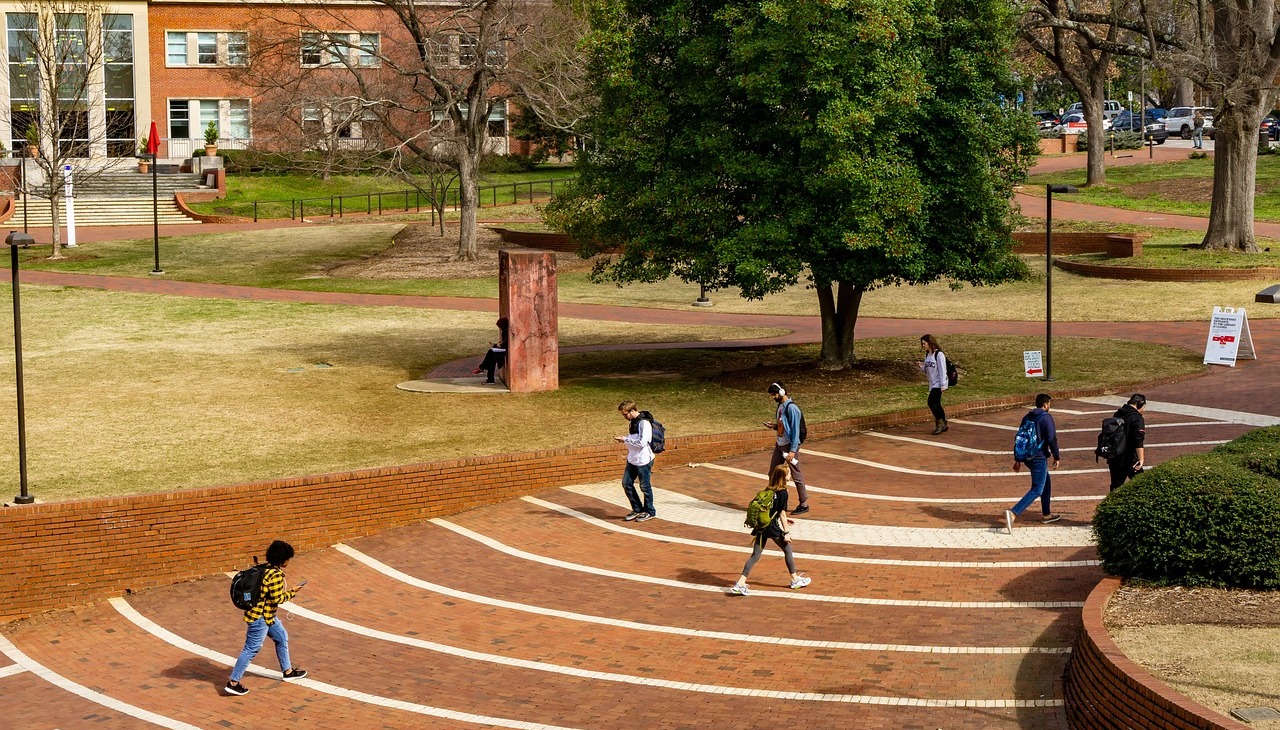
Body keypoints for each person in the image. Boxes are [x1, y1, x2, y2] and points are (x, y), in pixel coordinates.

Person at [225, 540, 307, 696]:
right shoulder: (275, 575)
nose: (289, 561)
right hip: (261, 617)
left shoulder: (265, 568)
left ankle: (288, 671)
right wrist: (294, 591)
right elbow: (277, 599)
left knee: (282, 637)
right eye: (288, 558)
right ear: (282, 559)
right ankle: (233, 682)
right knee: (251, 649)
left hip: (267, 616)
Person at [727, 463, 810, 595]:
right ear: (783, 477)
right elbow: (782, 513)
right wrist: (787, 532)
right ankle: (795, 580)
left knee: (756, 555)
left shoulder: (769, 489)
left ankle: (740, 583)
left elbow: (772, 510)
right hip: (771, 528)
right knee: (787, 549)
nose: (790, 476)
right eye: (788, 474)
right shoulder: (784, 493)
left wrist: (781, 517)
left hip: (762, 526)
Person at [1005, 394, 1062, 532]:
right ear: (1045, 405)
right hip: (1038, 457)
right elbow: (1051, 438)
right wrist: (1056, 456)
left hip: (1027, 457)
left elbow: (1020, 438)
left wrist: (1018, 459)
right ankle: (1013, 512)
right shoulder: (1046, 418)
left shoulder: (1027, 417)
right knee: (1037, 488)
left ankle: (1047, 514)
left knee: (1046, 482)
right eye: (1049, 404)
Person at [765, 382, 809, 514]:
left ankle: (804, 503)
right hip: (780, 444)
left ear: (782, 392)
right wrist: (773, 426)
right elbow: (784, 426)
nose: (773, 397)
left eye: (774, 394)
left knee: (796, 474)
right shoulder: (781, 406)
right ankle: (771, 500)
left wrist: (792, 450)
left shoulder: (792, 409)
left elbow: (795, 431)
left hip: (789, 446)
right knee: (772, 473)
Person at [615, 400, 656, 522]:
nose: (624, 417)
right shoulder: (633, 422)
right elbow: (635, 437)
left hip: (643, 460)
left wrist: (625, 440)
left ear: (632, 410)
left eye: (625, 414)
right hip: (632, 459)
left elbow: (643, 442)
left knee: (645, 487)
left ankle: (650, 511)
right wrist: (626, 439)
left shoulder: (644, 423)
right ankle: (637, 509)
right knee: (626, 483)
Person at [1108, 394, 1147, 491]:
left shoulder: (1118, 413)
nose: (1144, 409)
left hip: (1115, 457)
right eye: (1144, 406)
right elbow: (1138, 440)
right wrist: (1141, 460)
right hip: (1129, 458)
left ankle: (1112, 504)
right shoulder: (1137, 418)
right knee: (1143, 486)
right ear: (1140, 404)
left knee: (1116, 487)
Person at [917, 334, 948, 435]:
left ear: (930, 343)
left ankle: (939, 423)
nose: (923, 346)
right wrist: (921, 366)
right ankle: (944, 423)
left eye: (924, 344)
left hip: (939, 383)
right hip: (932, 383)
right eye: (922, 344)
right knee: (937, 403)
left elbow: (943, 370)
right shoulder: (928, 354)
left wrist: (943, 385)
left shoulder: (939, 354)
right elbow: (927, 369)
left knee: (931, 402)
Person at [471, 317, 509, 384]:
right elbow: (503, 343)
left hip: (503, 351)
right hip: (501, 350)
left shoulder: (507, 332)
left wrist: (495, 345)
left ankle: (482, 368)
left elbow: (504, 344)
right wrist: (498, 344)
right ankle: (490, 379)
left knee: (491, 352)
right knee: (491, 358)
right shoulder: (504, 332)